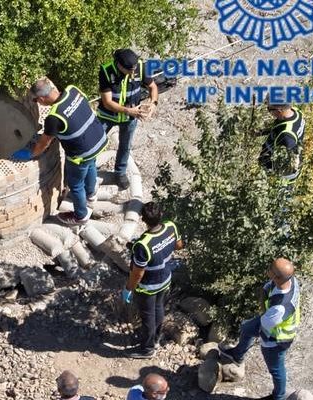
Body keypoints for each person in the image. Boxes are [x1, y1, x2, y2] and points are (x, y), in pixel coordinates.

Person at [12, 78, 108, 225]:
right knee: (91, 166)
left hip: (81, 154)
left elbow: (44, 144)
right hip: (98, 139)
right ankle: (91, 195)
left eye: (37, 100)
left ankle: (80, 216)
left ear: (43, 98)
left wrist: (30, 154)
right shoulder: (73, 90)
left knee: (76, 184)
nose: (38, 103)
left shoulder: (54, 118)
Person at [219, 258, 302, 400]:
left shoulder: (280, 307)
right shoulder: (290, 280)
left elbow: (265, 326)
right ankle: (237, 355)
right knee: (246, 327)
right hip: (270, 321)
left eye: (271, 268)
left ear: (276, 276)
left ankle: (279, 396)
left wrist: (265, 344)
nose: (268, 268)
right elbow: (268, 288)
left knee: (276, 369)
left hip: (277, 338)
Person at [121, 202, 184, 359]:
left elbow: (138, 274)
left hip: (148, 287)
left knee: (148, 316)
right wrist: (162, 249)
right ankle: (156, 338)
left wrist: (128, 289)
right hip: (165, 279)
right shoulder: (171, 226)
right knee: (159, 309)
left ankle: (147, 349)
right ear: (161, 215)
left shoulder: (143, 245)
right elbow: (179, 245)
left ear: (143, 219)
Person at [97, 48, 158, 190]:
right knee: (96, 142)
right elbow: (107, 102)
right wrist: (128, 110)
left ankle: (120, 173)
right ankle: (89, 170)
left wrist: (153, 103)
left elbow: (152, 86)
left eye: (134, 69)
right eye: (129, 70)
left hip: (131, 117)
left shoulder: (140, 67)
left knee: (125, 145)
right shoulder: (106, 71)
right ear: (119, 65)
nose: (132, 73)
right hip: (107, 116)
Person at [257, 103, 305, 184]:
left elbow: (284, 165)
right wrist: (261, 132)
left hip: (284, 179)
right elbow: (279, 127)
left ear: (279, 111)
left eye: (269, 109)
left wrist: (273, 179)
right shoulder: (295, 112)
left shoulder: (286, 138)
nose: (269, 112)